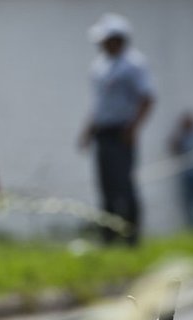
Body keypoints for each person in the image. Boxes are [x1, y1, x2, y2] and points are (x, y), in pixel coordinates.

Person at [77, 13, 155, 246]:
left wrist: (133, 128)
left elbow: (147, 98)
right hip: (103, 131)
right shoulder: (100, 67)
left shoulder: (134, 65)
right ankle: (108, 238)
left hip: (122, 132)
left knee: (124, 185)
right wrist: (88, 130)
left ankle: (132, 238)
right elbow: (100, 105)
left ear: (118, 39)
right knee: (106, 186)